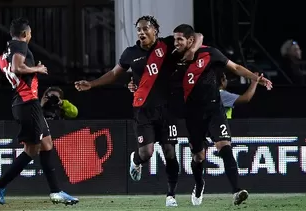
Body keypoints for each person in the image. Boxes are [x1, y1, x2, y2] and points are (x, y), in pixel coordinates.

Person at [75, 15, 203, 207]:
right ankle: (135, 160)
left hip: (166, 109)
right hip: (143, 110)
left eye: (146, 29)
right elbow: (113, 74)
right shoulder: (130, 53)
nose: (142, 32)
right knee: (147, 153)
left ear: (155, 31)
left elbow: (198, 35)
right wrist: (92, 84)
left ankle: (171, 195)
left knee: (170, 152)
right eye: (139, 30)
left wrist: (192, 50)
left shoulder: (167, 45)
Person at [0, 17, 78, 206]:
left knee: (47, 144)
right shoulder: (19, 45)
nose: (30, 36)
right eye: (30, 33)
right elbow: (17, 68)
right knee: (31, 150)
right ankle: (0, 184)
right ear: (25, 34)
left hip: (23, 104)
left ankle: (56, 191)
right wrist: (38, 68)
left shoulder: (2, 57)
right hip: (27, 104)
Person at [172, 24, 272, 206]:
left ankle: (236, 190)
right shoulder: (174, 59)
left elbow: (235, 67)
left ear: (190, 40)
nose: (176, 43)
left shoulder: (210, 53)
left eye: (180, 39)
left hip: (214, 109)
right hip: (193, 114)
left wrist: (255, 78)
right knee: (199, 157)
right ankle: (199, 183)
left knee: (224, 146)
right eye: (175, 39)